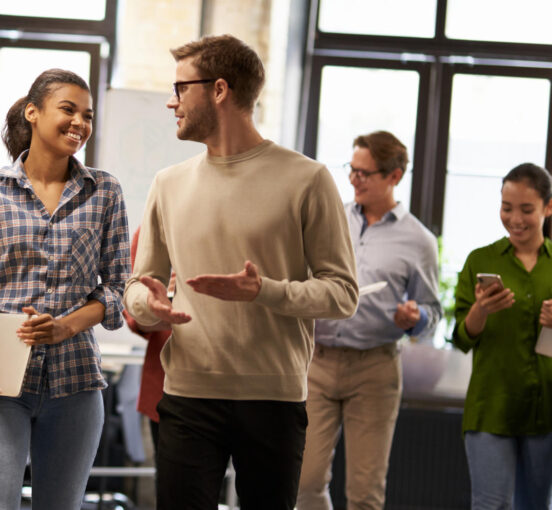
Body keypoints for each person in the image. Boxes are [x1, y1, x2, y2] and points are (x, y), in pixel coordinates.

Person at [123, 34, 359, 509]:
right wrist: (149, 305)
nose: (172, 101)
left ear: (220, 90)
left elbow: (342, 294)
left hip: (274, 397)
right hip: (188, 393)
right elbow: (135, 288)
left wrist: (263, 291)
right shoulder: (167, 185)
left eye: (180, 88)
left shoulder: (308, 179)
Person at [0, 68, 130, 510]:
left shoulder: (105, 191)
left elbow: (117, 287)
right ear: (33, 113)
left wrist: (66, 326)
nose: (80, 122)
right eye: (68, 109)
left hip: (76, 382)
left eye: (88, 115)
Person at [296, 131, 442, 510]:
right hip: (318, 362)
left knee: (365, 492)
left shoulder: (418, 240)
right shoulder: (330, 219)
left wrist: (416, 317)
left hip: (375, 368)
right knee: (305, 481)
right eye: (351, 169)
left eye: (365, 173)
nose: (353, 179)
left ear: (394, 176)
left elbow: (432, 312)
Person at [451, 162, 552, 510]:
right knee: (490, 505)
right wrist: (481, 310)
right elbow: (461, 339)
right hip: (491, 407)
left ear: (548, 208)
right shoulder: (480, 260)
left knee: (537, 506)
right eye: (507, 208)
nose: (515, 219)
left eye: (527, 209)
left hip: (547, 410)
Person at [123, 227, 173, 449]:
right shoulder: (152, 230)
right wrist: (154, 304)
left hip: (246, 387)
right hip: (166, 388)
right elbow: (135, 320)